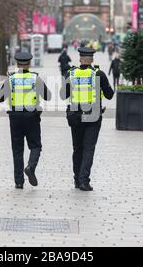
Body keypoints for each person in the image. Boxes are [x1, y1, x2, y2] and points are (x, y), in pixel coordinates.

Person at [60, 47, 114, 191]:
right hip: (93, 116)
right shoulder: (98, 74)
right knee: (88, 148)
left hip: (75, 116)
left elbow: (63, 95)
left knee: (77, 148)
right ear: (92, 60)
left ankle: (77, 180)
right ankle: (84, 181)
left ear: (80, 59)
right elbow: (110, 95)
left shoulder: (70, 74)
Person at [0, 51, 52, 189]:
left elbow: (0, 98)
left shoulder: (11, 79)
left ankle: (19, 182)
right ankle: (31, 167)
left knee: (17, 149)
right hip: (31, 116)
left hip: (15, 116)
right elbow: (48, 96)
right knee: (35, 146)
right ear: (30, 64)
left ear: (16, 64)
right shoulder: (35, 78)